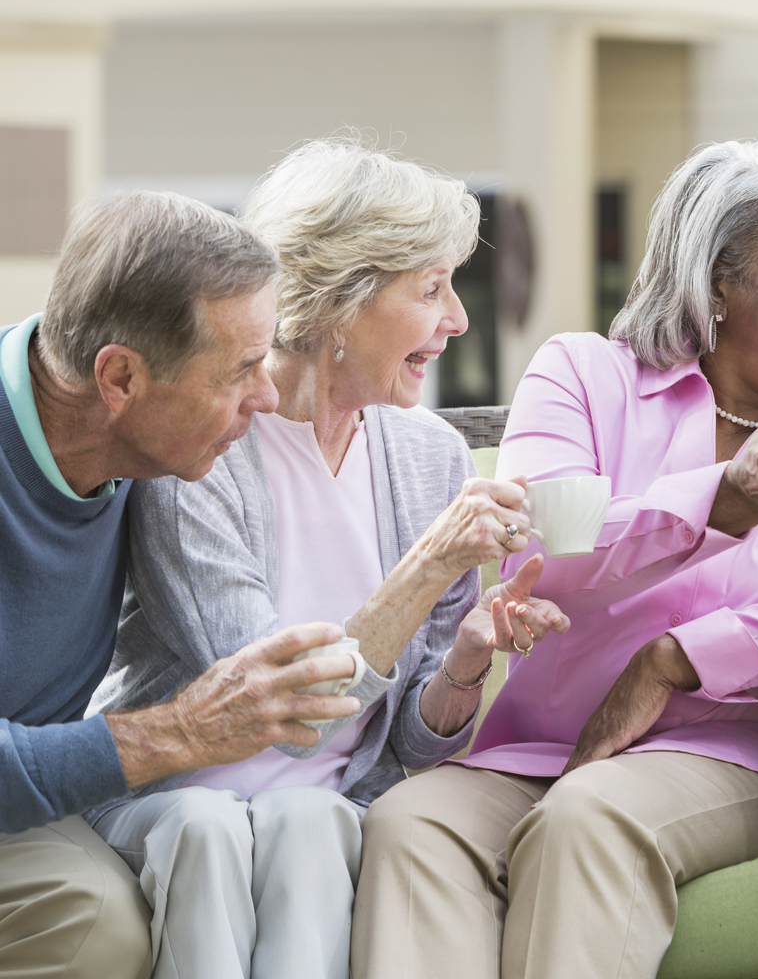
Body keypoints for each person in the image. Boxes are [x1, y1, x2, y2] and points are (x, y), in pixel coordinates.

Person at [351, 133, 758, 978]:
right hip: (548, 748)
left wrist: (678, 659)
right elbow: (543, 559)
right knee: (411, 824)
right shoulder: (582, 377)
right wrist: (724, 501)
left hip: (756, 755)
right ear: (716, 281)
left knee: (591, 817)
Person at [87, 139, 566, 979]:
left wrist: (465, 660)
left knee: (311, 823)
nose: (456, 318)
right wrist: (426, 567)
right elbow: (273, 698)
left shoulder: (432, 458)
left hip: (327, 803)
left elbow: (415, 748)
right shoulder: (202, 446)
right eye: (430, 290)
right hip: (173, 792)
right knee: (207, 827)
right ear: (340, 301)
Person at [0, 191, 374, 979]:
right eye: (241, 370)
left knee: (96, 920)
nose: (266, 397)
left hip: (22, 809)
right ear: (121, 377)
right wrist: (180, 732)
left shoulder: (139, 450)